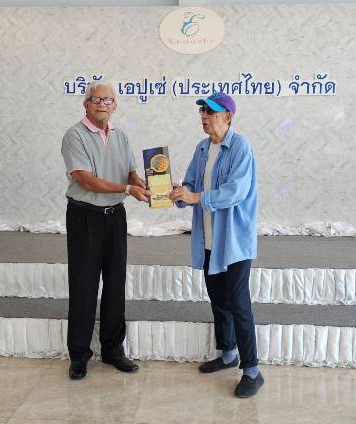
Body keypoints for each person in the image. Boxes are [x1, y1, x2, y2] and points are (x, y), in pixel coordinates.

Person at [169, 92, 263, 398]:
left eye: (210, 112)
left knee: (239, 304)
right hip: (208, 240)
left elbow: (235, 191)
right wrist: (179, 193)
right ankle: (227, 353)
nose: (204, 117)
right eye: (202, 112)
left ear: (228, 116)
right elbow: (191, 184)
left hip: (233, 242)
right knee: (218, 300)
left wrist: (196, 197)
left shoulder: (240, 147)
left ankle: (252, 371)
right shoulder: (202, 148)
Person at [61, 81, 150, 380]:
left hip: (115, 217)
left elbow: (130, 172)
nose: (103, 104)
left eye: (108, 100)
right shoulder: (74, 135)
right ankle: (79, 355)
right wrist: (127, 189)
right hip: (84, 217)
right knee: (83, 286)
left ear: (115, 106)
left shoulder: (120, 136)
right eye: (96, 99)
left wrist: (143, 184)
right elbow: (85, 179)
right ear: (86, 104)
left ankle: (113, 350)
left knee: (115, 285)